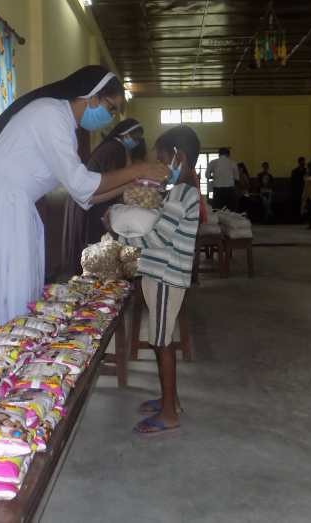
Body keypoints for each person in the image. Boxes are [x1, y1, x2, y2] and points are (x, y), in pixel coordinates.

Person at [0, 66, 168, 365]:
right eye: (110, 108)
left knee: (8, 283)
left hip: (10, 200)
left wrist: (130, 182)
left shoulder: (63, 123)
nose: (109, 118)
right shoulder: (50, 114)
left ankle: (1, 358)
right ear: (92, 98)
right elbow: (83, 184)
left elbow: (86, 195)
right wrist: (139, 169)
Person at [111, 125, 203, 434]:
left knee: (162, 343)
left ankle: (168, 413)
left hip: (166, 276)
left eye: (162, 159)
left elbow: (159, 238)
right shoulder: (178, 191)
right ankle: (170, 399)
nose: (160, 166)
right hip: (160, 273)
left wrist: (122, 236)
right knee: (159, 339)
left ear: (178, 157)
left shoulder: (182, 192)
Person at [62, 119, 144, 273]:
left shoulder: (116, 148)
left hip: (91, 198)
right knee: (94, 253)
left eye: (139, 139)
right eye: (135, 137)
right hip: (90, 202)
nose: (137, 141)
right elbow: (110, 182)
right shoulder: (115, 149)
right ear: (125, 134)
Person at [290, 157, 307, 221]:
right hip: (297, 190)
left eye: (303, 162)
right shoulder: (294, 171)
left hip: (304, 189)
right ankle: (297, 218)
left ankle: (303, 218)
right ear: (299, 162)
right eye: (302, 162)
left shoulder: (306, 171)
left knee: (304, 204)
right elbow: (292, 182)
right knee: (296, 203)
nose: (303, 163)